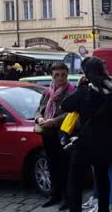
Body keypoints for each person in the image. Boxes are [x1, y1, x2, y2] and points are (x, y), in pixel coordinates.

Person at [61, 57, 112, 211]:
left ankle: (75, 209)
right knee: (103, 179)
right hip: (106, 144)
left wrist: (80, 86)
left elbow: (66, 105)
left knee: (75, 180)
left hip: (85, 144)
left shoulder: (85, 91)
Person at [35, 63, 75, 210]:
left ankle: (67, 198)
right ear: (51, 76)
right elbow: (39, 109)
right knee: (52, 165)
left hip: (62, 134)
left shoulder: (71, 91)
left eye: (63, 74)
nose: (60, 78)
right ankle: (54, 195)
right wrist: (39, 119)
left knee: (65, 166)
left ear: (67, 75)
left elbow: (72, 113)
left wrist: (54, 121)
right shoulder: (47, 92)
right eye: (57, 75)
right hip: (47, 133)